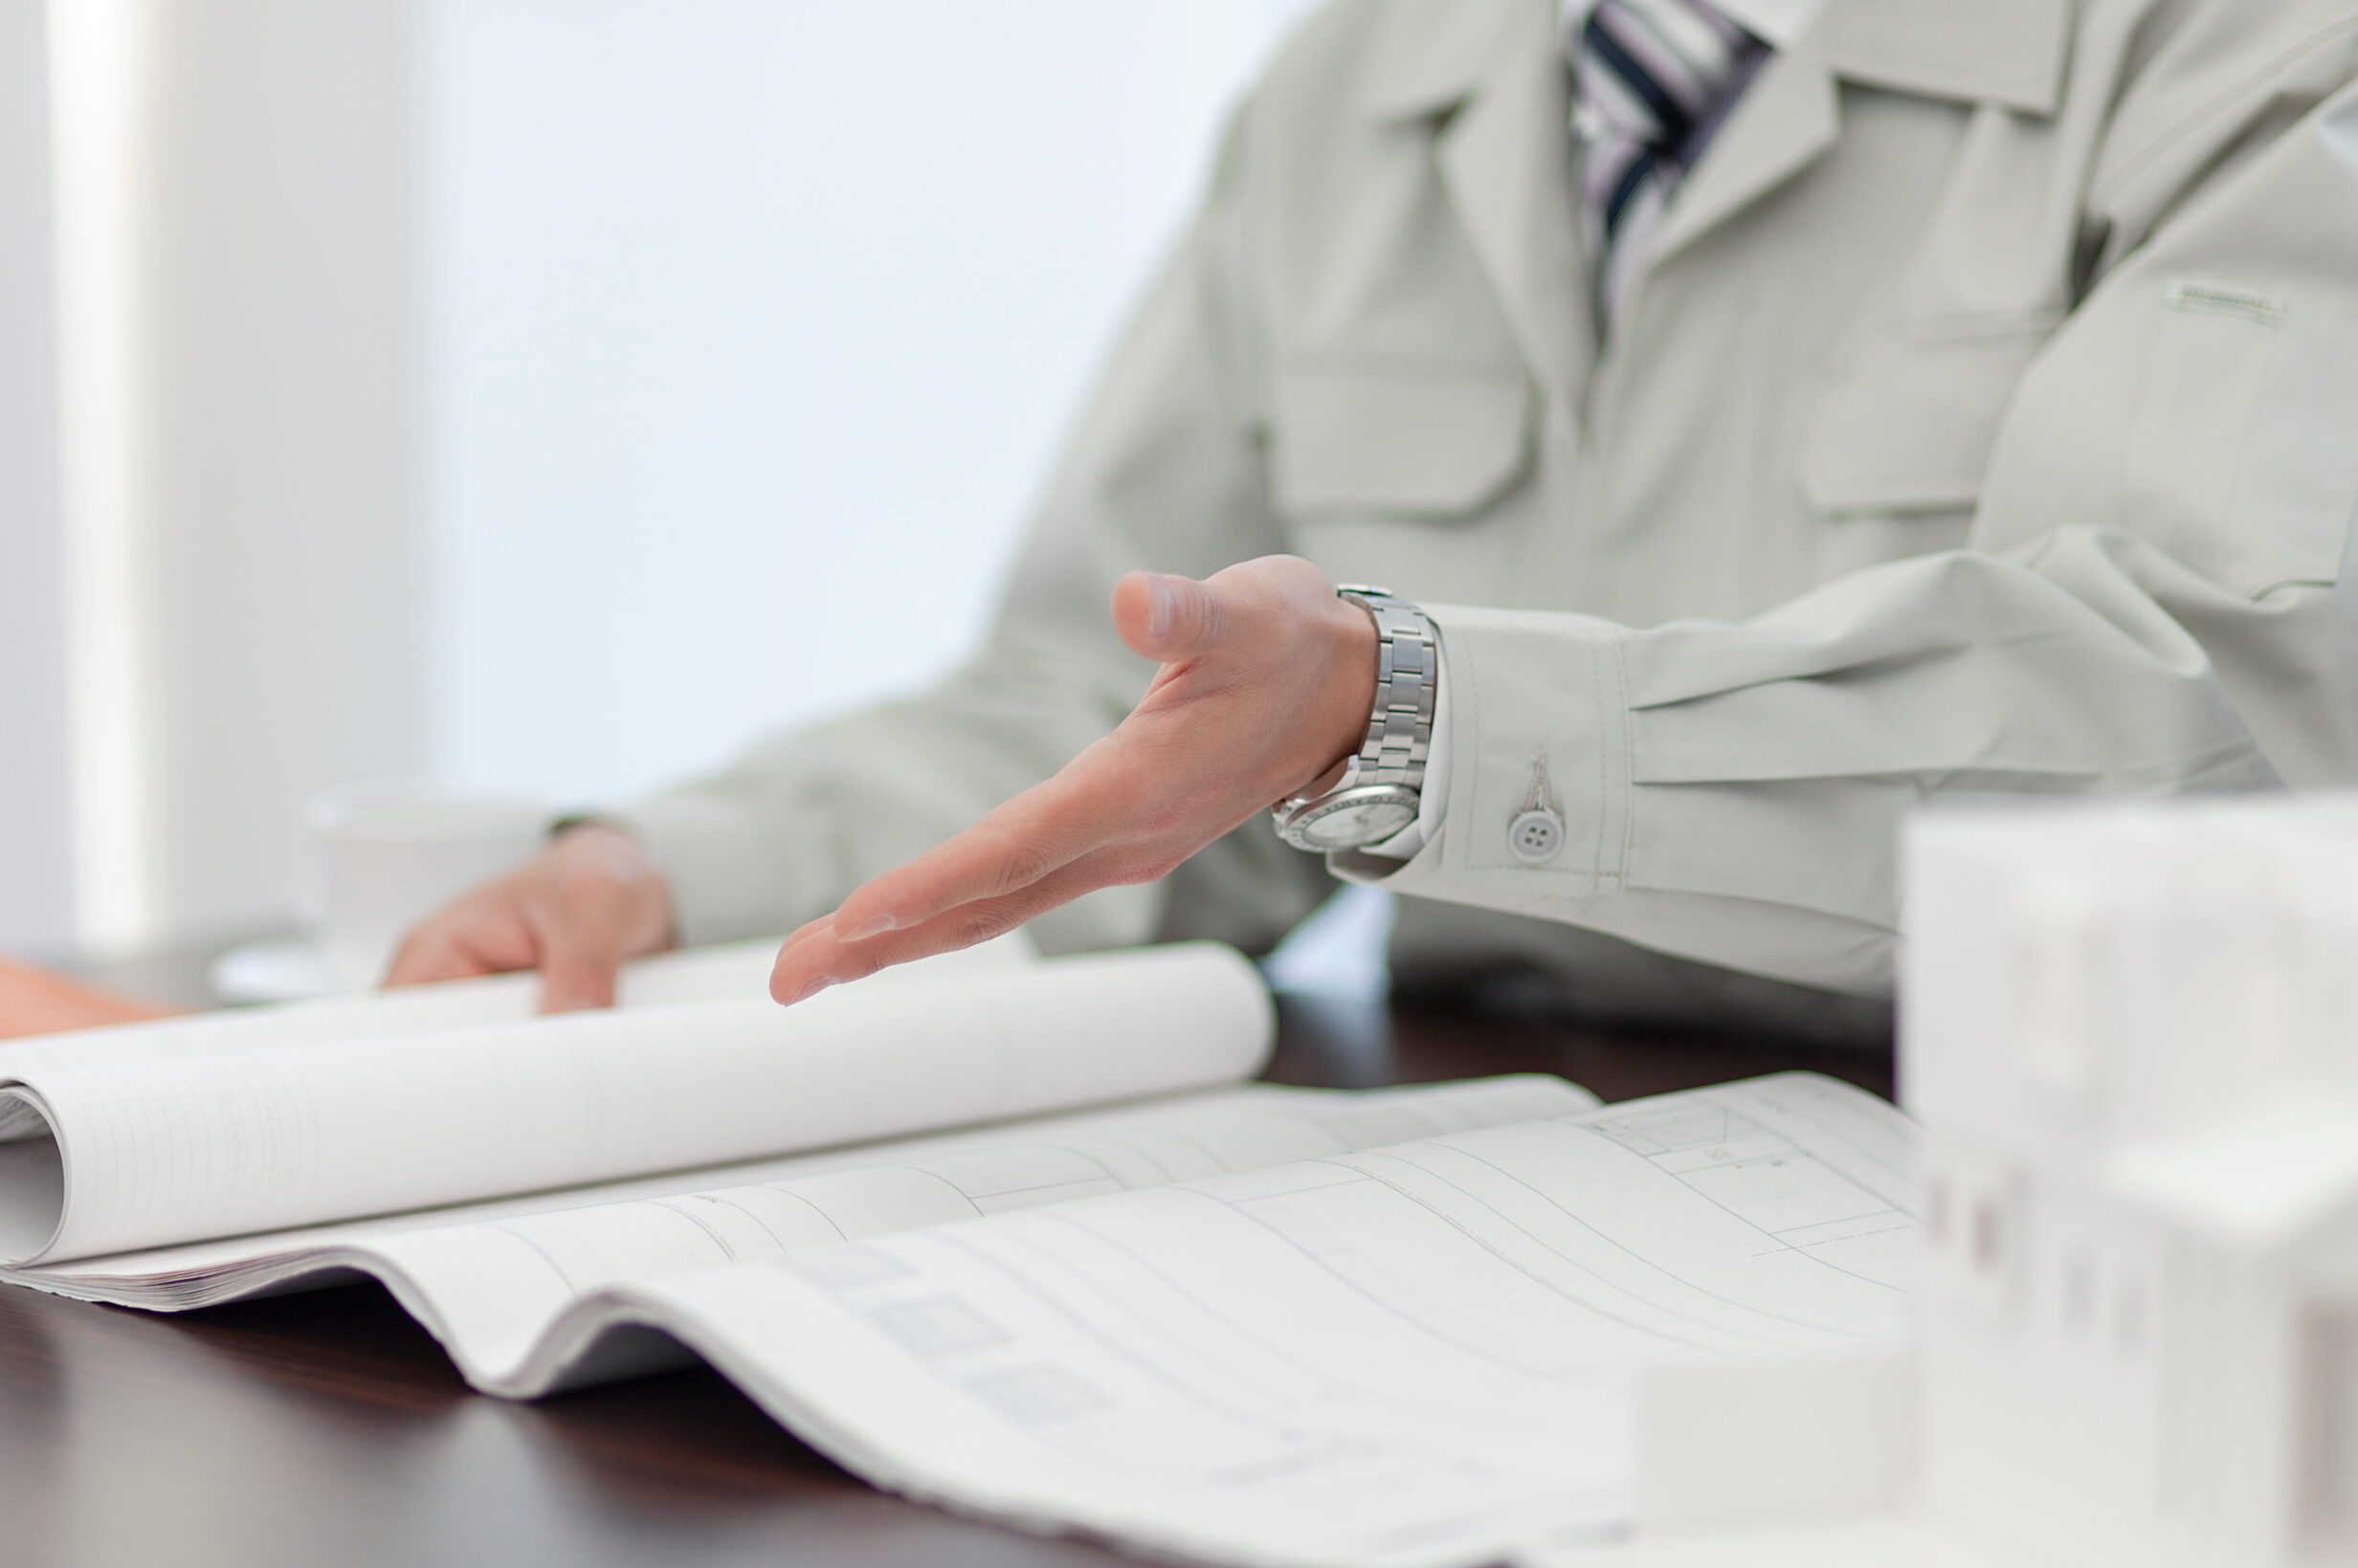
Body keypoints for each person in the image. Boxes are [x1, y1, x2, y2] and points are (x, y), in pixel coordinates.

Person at [389, 0, 2358, 1043]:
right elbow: (1119, 704)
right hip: (1460, 1191)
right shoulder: (1354, 78)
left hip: (2044, 1211)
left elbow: (2206, 716)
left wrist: (1400, 715)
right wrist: (677, 869)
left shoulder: (2256, 47)